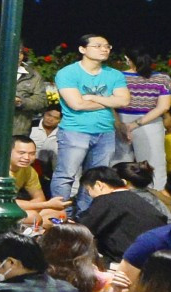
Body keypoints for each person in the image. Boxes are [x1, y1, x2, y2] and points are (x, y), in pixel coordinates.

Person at [52, 34, 133, 206]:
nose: (104, 49)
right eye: (98, 46)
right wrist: (109, 100)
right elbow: (77, 104)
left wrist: (92, 97)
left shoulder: (114, 74)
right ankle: (60, 213)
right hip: (75, 130)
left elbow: (124, 101)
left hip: (105, 131)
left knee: (96, 177)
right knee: (66, 175)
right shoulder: (67, 73)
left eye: (107, 46)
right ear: (82, 49)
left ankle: (87, 214)